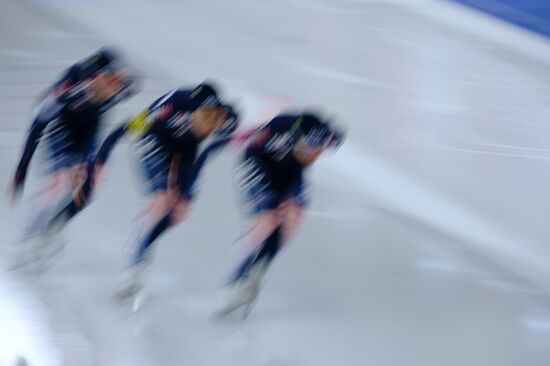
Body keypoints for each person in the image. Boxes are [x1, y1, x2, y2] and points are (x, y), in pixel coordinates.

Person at [92, 82, 238, 297]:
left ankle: (143, 238)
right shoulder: (172, 104)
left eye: (212, 119)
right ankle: (135, 260)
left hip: (186, 151)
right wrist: (101, 157)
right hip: (154, 142)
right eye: (203, 117)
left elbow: (201, 158)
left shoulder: (226, 119)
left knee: (177, 212)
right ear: (191, 109)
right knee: (160, 200)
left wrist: (187, 195)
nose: (207, 125)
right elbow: (127, 127)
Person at [8, 47, 139, 271]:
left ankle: (51, 230)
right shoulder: (68, 86)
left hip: (89, 133)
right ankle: (25, 238)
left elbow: (133, 86)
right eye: (107, 81)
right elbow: (37, 125)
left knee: (86, 189)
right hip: (62, 128)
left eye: (115, 82)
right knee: (58, 182)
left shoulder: (121, 88)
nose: (111, 89)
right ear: (92, 79)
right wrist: (21, 170)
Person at [220, 112, 344, 317]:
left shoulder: (322, 136)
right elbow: (247, 136)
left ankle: (258, 271)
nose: (315, 155)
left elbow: (335, 134)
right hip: (258, 166)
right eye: (312, 148)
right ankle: (235, 278)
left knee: (292, 219)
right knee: (265, 222)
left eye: (320, 150)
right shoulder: (279, 127)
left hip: (291, 173)